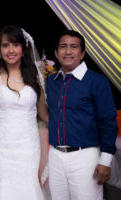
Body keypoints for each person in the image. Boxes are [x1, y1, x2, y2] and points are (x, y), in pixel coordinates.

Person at [0, 25, 48, 199]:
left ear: (23, 49)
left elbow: (44, 115)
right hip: (0, 145)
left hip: (28, 146)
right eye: (5, 45)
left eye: (15, 45)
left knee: (27, 185)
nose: (10, 50)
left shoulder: (35, 77)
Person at [46, 30, 118, 200]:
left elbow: (108, 122)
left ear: (82, 53)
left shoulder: (96, 81)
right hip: (55, 156)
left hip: (85, 156)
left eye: (74, 47)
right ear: (56, 53)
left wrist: (105, 161)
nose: (68, 51)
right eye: (63, 47)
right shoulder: (51, 81)